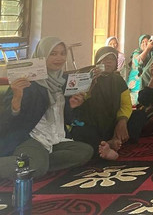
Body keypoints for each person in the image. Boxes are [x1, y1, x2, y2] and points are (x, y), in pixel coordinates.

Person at [0, 37, 93, 179]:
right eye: (53, 53)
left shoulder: (61, 82)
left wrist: (71, 106)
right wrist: (17, 98)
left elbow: (62, 119)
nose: (59, 58)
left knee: (85, 151)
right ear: (41, 55)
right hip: (30, 138)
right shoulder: (27, 82)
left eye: (62, 53)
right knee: (36, 166)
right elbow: (8, 120)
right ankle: (35, 163)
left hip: (54, 138)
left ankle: (37, 163)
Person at [68, 46, 146, 160]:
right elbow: (79, 103)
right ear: (97, 62)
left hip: (112, 122)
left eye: (111, 59)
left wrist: (122, 121)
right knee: (80, 132)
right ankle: (107, 145)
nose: (108, 62)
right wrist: (91, 84)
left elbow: (126, 105)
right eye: (103, 59)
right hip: (92, 124)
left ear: (116, 63)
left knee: (139, 115)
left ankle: (110, 141)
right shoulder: (87, 77)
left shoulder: (118, 80)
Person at [128, 34, 153, 105]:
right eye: (142, 42)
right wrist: (147, 49)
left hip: (149, 79)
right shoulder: (137, 52)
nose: (144, 44)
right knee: (136, 103)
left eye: (147, 42)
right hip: (136, 81)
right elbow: (138, 62)